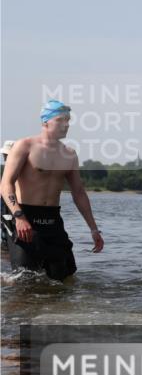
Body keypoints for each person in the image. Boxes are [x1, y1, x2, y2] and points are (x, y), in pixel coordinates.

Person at [0, 100, 104, 280]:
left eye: (68, 120)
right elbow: (6, 184)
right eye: (60, 120)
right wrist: (19, 217)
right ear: (45, 122)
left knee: (63, 278)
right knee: (25, 279)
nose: (66, 124)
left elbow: (78, 192)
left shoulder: (69, 154)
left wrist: (94, 229)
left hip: (53, 220)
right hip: (26, 218)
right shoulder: (25, 146)